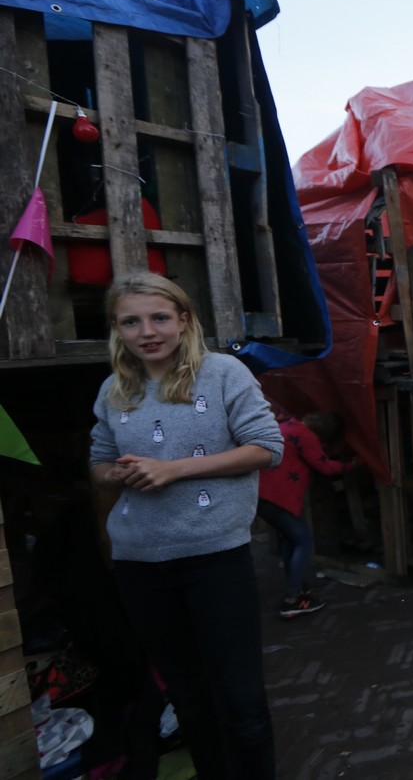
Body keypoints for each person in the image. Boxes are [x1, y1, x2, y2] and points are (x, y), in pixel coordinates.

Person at [89, 272, 282, 779]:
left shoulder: (223, 373)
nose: (147, 332)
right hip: (139, 565)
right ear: (117, 329)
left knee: (240, 702)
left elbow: (266, 448)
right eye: (131, 322)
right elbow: (98, 463)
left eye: (159, 317)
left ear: (183, 319)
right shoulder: (114, 388)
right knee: (189, 699)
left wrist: (173, 469)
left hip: (214, 560)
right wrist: (117, 474)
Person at [257, 409, 357, 619]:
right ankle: (292, 599)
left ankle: (297, 587)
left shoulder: (286, 426)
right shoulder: (305, 436)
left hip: (262, 495)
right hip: (279, 498)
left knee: (289, 540)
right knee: (303, 541)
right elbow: (325, 467)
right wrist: (352, 465)